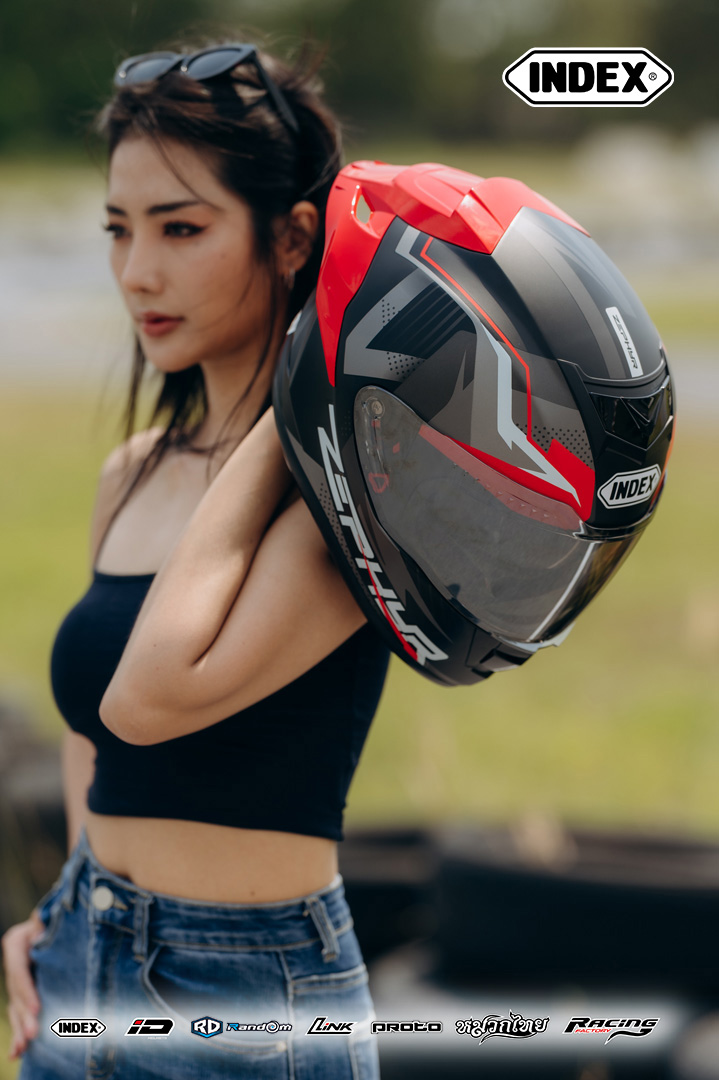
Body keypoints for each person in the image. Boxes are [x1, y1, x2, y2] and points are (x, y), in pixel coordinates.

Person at [2, 37, 390, 1080]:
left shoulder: (346, 493)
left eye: (181, 227)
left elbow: (147, 696)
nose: (138, 271)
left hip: (250, 1000)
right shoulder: (132, 473)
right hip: (80, 968)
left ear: (291, 237)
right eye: (118, 229)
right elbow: (92, 739)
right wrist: (63, 906)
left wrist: (304, 395)